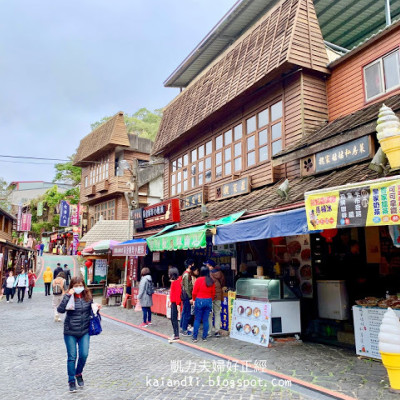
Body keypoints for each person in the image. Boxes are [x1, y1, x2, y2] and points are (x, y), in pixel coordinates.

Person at [57, 276, 101, 392]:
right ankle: (71, 381)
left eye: (80, 285)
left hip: (84, 331)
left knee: (84, 354)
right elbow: (60, 310)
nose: (78, 288)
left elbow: (91, 310)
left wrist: (97, 308)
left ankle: (78, 373)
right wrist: (68, 295)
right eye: (76, 286)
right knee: (72, 357)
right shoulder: (68, 296)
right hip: (70, 331)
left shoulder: (87, 296)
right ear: (72, 287)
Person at [191, 266, 215, 343]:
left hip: (199, 300)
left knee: (197, 319)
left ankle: (195, 337)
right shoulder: (211, 280)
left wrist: (194, 299)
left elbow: (194, 292)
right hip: (208, 301)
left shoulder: (198, 280)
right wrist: (210, 299)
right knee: (205, 320)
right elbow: (213, 293)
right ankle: (204, 337)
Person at [207, 260, 226, 337]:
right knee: (217, 312)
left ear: (210, 266)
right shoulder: (220, 273)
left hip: (210, 295)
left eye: (207, 265)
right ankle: (217, 331)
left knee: (209, 314)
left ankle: (209, 331)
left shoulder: (209, 274)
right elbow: (223, 283)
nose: (206, 266)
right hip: (218, 295)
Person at [180, 259, 195, 336]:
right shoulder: (186, 275)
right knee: (186, 313)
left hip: (186, 296)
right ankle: (184, 330)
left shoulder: (187, 274)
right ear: (189, 265)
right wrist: (190, 297)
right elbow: (186, 287)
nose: (193, 266)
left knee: (185, 312)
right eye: (193, 265)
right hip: (187, 297)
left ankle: (182, 327)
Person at [168, 267, 181, 342]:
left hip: (175, 303)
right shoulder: (175, 282)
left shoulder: (176, 282)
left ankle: (176, 335)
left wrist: (177, 304)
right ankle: (175, 333)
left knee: (174, 319)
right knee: (173, 318)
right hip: (173, 302)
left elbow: (177, 294)